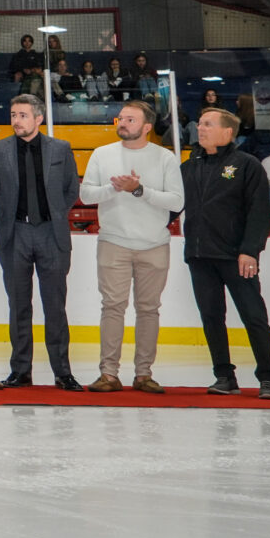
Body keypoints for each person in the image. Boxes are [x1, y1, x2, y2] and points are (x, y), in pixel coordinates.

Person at [79, 100, 184, 394]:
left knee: (149, 309)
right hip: (114, 242)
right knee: (112, 307)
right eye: (120, 119)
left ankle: (143, 374)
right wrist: (115, 188)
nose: (122, 123)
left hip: (154, 245)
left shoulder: (165, 158)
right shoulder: (102, 154)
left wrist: (139, 190)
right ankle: (108, 373)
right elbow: (86, 194)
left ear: (147, 127)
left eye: (130, 119)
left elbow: (176, 201)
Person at [180, 107, 270, 398]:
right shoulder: (189, 166)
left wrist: (250, 250)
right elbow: (172, 204)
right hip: (199, 256)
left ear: (227, 132)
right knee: (211, 317)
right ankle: (224, 376)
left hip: (237, 257)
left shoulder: (247, 165)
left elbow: (260, 212)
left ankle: (268, 379)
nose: (200, 128)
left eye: (208, 124)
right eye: (200, 123)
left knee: (254, 316)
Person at [0, 95, 82, 390]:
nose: (17, 120)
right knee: (18, 306)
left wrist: (52, 216)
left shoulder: (61, 149)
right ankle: (21, 370)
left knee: (55, 306)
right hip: (14, 234)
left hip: (51, 235)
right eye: (13, 114)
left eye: (23, 115)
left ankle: (62, 372)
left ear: (38, 118)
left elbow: (70, 189)